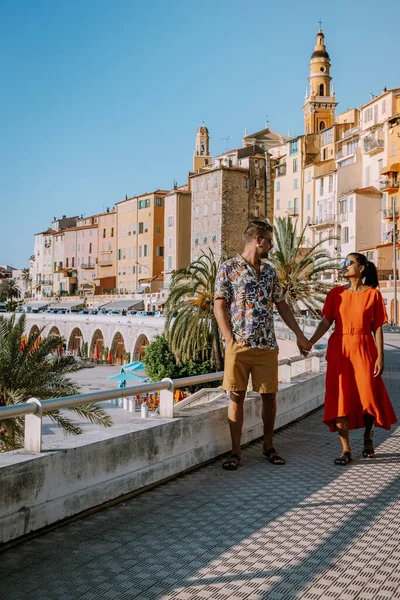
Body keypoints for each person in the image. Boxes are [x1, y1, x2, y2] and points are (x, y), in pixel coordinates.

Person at [214, 220, 312, 470]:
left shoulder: (268, 272)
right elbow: (219, 305)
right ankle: (236, 453)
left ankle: (269, 446)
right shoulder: (228, 268)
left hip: (267, 344)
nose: (272, 245)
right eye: (269, 240)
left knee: (270, 397)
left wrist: (299, 335)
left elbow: (282, 305)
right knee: (236, 397)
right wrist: (228, 338)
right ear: (257, 239)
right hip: (239, 345)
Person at [309, 253, 397, 465]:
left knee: (368, 396)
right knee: (341, 398)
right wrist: (309, 342)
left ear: (362, 268)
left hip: (364, 349)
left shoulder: (373, 295)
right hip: (340, 350)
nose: (344, 266)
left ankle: (368, 435)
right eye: (343, 263)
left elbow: (377, 327)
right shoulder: (335, 294)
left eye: (349, 263)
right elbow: (325, 322)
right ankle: (346, 449)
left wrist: (380, 357)